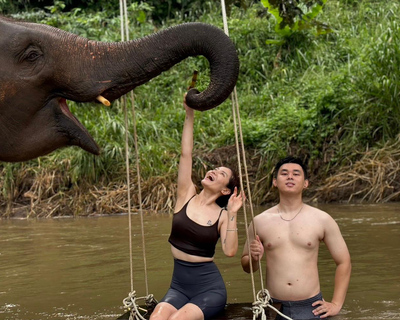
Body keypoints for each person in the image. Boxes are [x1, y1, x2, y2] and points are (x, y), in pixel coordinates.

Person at [150, 95, 244, 320]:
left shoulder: (222, 216)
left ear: (225, 191)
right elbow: (186, 154)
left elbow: (230, 251)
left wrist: (232, 214)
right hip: (179, 287)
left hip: (209, 290)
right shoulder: (186, 194)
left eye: (222, 174)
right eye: (215, 168)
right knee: (157, 317)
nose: (214, 171)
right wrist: (189, 114)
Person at [241, 156, 351, 319]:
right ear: (275, 182)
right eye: (284, 173)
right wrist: (254, 257)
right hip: (273, 306)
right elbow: (247, 266)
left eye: (296, 174)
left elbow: (344, 262)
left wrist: (336, 304)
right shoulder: (259, 221)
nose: (290, 176)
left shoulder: (322, 219)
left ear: (305, 183)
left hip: (311, 307)